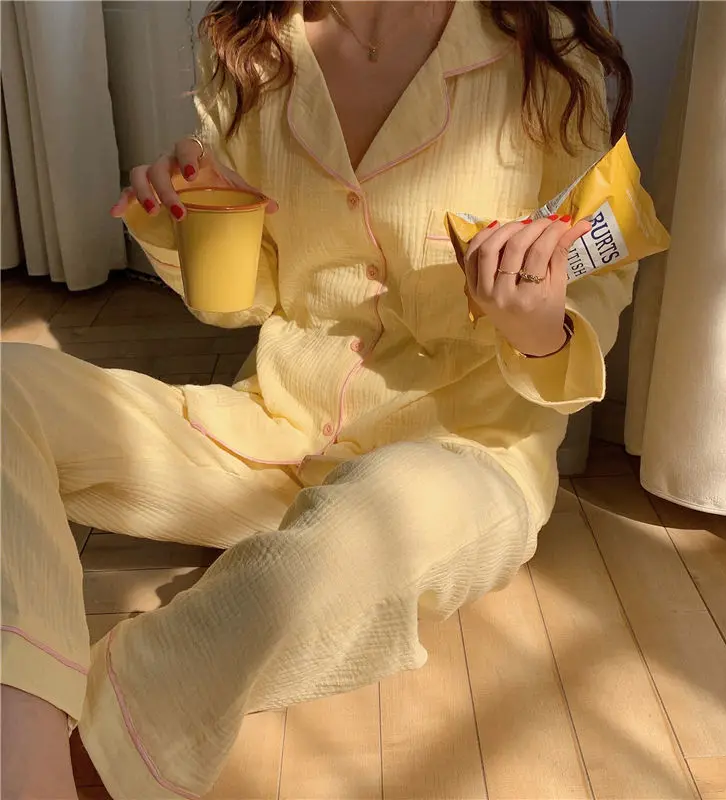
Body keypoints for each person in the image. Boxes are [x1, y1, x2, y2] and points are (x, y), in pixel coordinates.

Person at [1, 2, 635, 797]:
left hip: (464, 458)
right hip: (274, 434)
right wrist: (190, 217)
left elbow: (598, 280)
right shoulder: (252, 48)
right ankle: (21, 749)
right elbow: (250, 299)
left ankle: (90, 762)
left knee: (357, 534)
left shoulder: (546, 56)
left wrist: (535, 321)